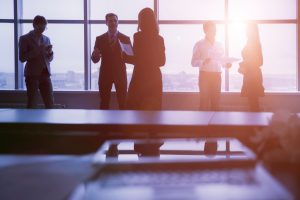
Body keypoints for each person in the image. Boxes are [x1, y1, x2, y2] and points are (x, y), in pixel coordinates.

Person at [124, 7, 166, 110]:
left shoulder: (138, 37)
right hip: (155, 79)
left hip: (140, 77)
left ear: (141, 21)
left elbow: (137, 60)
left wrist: (125, 57)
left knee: (135, 111)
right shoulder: (160, 39)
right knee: (153, 113)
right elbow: (162, 62)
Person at [91, 13, 131, 109]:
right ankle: (104, 124)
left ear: (118, 23)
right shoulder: (99, 39)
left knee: (123, 103)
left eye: (115, 20)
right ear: (106, 23)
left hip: (120, 74)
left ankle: (123, 124)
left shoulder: (125, 38)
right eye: (110, 21)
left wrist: (126, 56)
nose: (113, 22)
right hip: (105, 74)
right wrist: (94, 55)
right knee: (104, 103)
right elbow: (95, 60)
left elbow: (131, 58)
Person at [191, 21, 231, 111]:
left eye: (215, 30)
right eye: (212, 30)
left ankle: (215, 125)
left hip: (217, 76)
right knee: (204, 103)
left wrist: (226, 65)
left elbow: (220, 61)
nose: (214, 32)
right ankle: (202, 125)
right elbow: (193, 62)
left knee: (216, 104)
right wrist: (203, 62)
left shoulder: (219, 44)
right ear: (205, 31)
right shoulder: (199, 44)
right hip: (204, 76)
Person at [19, 15, 54, 109]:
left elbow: (49, 59)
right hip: (32, 75)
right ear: (34, 25)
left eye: (44, 27)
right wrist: (38, 50)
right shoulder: (24, 38)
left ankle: (51, 123)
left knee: (50, 102)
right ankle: (30, 123)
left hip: (45, 74)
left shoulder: (47, 39)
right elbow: (22, 58)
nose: (43, 29)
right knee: (32, 103)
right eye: (41, 27)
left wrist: (50, 53)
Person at [238, 22, 264, 112]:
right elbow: (253, 60)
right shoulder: (250, 42)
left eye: (248, 29)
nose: (246, 31)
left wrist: (244, 64)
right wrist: (243, 67)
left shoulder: (255, 43)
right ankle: (255, 125)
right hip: (250, 75)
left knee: (253, 103)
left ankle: (256, 125)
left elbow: (260, 61)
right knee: (252, 103)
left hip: (253, 77)